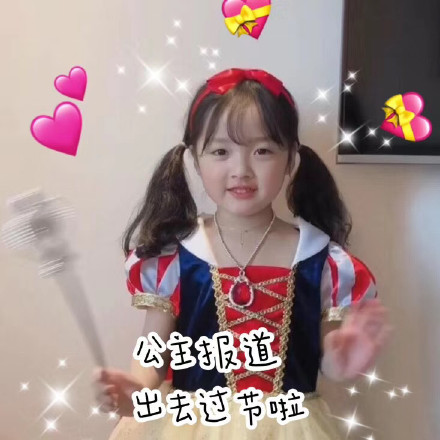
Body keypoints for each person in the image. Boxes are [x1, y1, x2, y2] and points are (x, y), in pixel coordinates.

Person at [94, 68, 392, 439]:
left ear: (291, 158)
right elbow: (154, 353)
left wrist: (343, 359)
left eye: (262, 151)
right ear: (195, 159)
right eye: (220, 151)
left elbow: (328, 363)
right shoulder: (175, 256)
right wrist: (136, 388)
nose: (241, 170)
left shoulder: (322, 260)